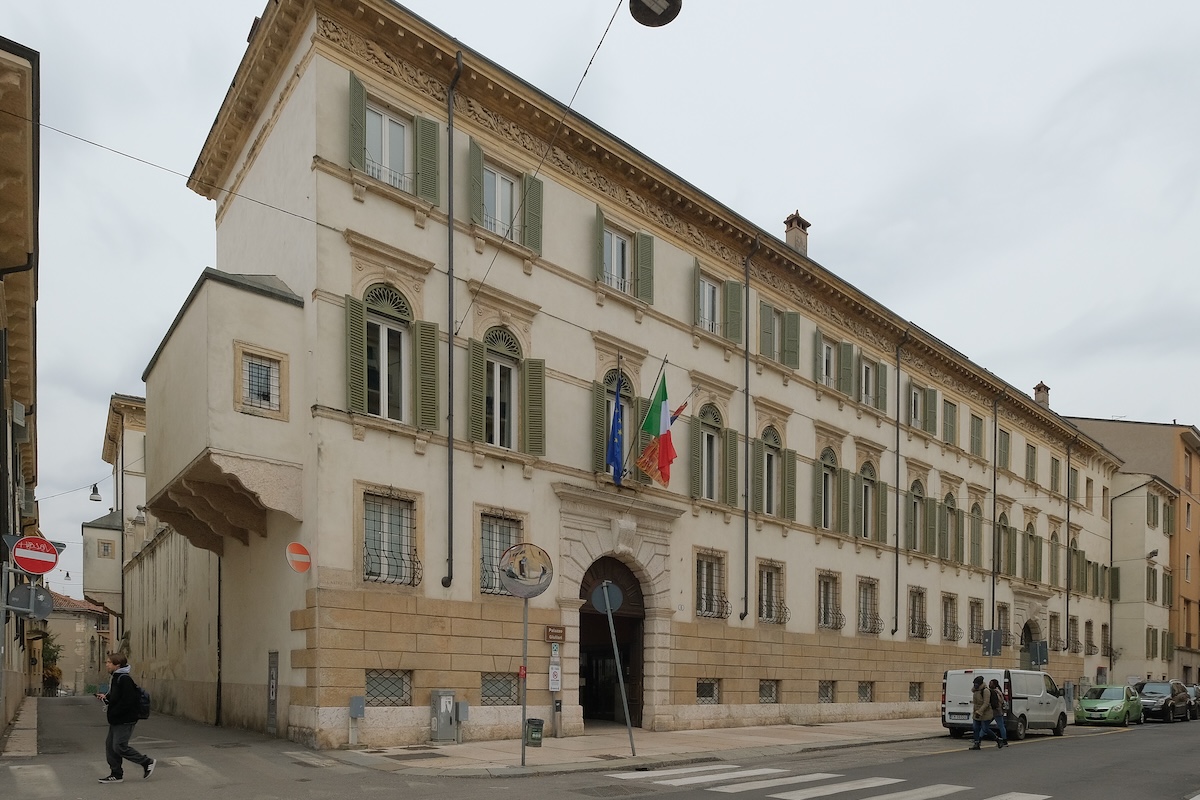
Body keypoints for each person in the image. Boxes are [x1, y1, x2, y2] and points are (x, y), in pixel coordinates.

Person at [96, 653, 156, 783]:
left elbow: (129, 700)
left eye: (109, 662)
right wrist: (106, 698)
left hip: (125, 719)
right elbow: (117, 698)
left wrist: (116, 712)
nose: (106, 664)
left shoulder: (124, 679)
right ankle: (116, 774)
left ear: (117, 665)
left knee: (119, 746)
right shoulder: (116, 678)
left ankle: (146, 762)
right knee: (110, 746)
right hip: (116, 719)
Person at [970, 675, 1000, 750]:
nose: (975, 685)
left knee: (985, 729)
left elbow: (986, 703)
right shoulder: (976, 691)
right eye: (974, 684)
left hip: (986, 713)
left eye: (976, 684)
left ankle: (998, 739)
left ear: (980, 683)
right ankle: (977, 743)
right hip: (976, 712)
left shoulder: (985, 691)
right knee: (975, 728)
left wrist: (980, 711)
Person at [989, 678, 1009, 747]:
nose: (989, 684)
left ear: (994, 685)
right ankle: (978, 738)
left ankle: (1004, 741)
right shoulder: (999, 690)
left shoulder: (996, 692)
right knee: (985, 725)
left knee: (1000, 725)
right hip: (997, 711)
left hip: (996, 711)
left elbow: (999, 701)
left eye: (991, 683)